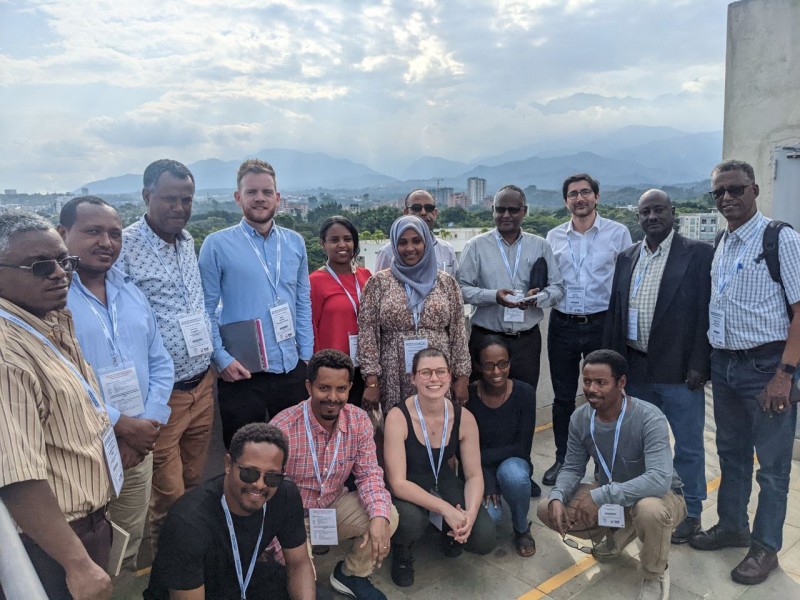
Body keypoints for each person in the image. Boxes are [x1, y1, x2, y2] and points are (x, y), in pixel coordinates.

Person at [689, 160, 800, 586]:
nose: (727, 199)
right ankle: (732, 525)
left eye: (735, 190)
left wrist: (784, 374)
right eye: (718, 193)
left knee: (772, 468)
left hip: (766, 367)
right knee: (731, 455)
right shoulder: (723, 242)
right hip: (726, 365)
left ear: (754, 190)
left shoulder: (779, 239)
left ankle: (766, 545)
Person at [0, 212, 114, 600]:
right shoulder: (6, 354)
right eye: (40, 266)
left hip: (86, 527)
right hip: (52, 545)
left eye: (65, 262)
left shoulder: (45, 322)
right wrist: (77, 564)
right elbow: (18, 478)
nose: (59, 273)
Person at [59, 196, 175, 574]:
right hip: (81, 448)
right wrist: (121, 426)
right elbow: (60, 378)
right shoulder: (50, 299)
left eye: (113, 233)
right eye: (92, 231)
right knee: (79, 553)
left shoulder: (131, 292)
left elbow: (160, 361)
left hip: (138, 446)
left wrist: (148, 424)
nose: (106, 242)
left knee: (126, 543)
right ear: (63, 234)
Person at [602, 189, 713, 544]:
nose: (652, 217)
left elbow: (705, 313)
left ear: (673, 212)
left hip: (680, 372)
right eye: (645, 212)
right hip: (635, 370)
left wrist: (700, 363)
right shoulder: (627, 256)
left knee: (689, 445)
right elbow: (616, 313)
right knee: (636, 443)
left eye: (659, 210)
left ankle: (691, 512)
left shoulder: (697, 254)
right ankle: (638, 503)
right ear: (638, 218)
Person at [117, 159, 215, 553]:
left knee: (194, 483)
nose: (179, 207)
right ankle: (167, 574)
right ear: (146, 196)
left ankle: (193, 560)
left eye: (186, 199)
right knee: (169, 495)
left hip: (203, 385)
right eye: (170, 198)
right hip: (163, 397)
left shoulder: (189, 241)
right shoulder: (123, 246)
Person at [537, 350, 686, 600]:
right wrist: (557, 496)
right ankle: (618, 533)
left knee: (649, 510)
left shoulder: (649, 417)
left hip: (662, 497)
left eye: (601, 382)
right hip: (614, 496)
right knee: (546, 508)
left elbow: (660, 479)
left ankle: (654, 573)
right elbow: (573, 467)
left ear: (622, 383)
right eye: (586, 381)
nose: (591, 389)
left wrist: (601, 495)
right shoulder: (580, 417)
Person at [198, 158, 312, 446]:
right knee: (242, 456)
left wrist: (306, 356)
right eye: (251, 192)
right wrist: (221, 359)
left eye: (266, 192)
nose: (260, 198)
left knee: (294, 451)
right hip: (241, 373)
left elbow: (302, 301)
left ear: (277, 197)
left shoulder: (295, 242)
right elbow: (205, 309)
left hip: (290, 368)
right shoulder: (217, 244)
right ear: (238, 198)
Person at [271, 349, 398, 600]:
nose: (332, 397)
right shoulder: (282, 428)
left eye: (341, 389)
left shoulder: (359, 421)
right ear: (309, 386)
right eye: (324, 388)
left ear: (350, 387)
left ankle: (351, 575)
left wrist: (378, 517)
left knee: (387, 515)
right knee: (304, 587)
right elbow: (268, 499)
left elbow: (369, 474)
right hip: (290, 519)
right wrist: (279, 549)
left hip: (331, 508)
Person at [146, 423, 316, 600]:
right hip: (194, 590)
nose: (259, 484)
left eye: (272, 476)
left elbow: (299, 563)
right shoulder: (187, 522)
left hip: (240, 579)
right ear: (228, 464)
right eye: (249, 473)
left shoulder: (284, 494)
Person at [542, 173, 631, 488]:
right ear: (565, 201)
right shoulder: (552, 237)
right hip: (563, 323)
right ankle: (564, 459)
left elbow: (626, 283)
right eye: (573, 194)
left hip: (602, 323)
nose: (579, 199)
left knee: (606, 395)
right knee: (563, 397)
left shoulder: (618, 234)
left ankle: (605, 463)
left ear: (596, 196)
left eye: (585, 192)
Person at [384, 347, 496, 588]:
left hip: (442, 480)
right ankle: (402, 551)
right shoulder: (398, 416)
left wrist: (469, 515)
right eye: (425, 372)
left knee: (484, 537)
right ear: (413, 378)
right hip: (409, 485)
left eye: (440, 372)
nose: (434, 379)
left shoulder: (464, 417)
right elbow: (398, 482)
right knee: (412, 521)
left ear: (450, 376)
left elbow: (474, 475)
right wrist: (446, 509)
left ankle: (451, 534)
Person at [457, 184, 564, 392]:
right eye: (500, 209)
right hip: (487, 337)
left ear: (525, 211)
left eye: (513, 210)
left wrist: (537, 299)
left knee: (524, 397)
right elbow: (460, 290)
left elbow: (558, 288)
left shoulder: (540, 245)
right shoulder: (476, 245)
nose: (506, 215)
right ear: (493, 211)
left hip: (525, 342)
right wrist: (493, 296)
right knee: (481, 400)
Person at [359, 215, 471, 410]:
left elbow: (458, 333)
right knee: (398, 431)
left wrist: (462, 378)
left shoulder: (446, 283)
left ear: (426, 242)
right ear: (394, 245)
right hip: (394, 375)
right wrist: (372, 381)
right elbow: (368, 334)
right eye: (402, 242)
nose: (410, 248)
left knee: (438, 429)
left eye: (416, 241)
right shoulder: (378, 283)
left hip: (438, 372)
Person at [467, 336, 536, 557]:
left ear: (510, 363)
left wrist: (483, 460)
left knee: (513, 475)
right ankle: (494, 488)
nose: (497, 371)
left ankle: (521, 527)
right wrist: (486, 480)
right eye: (488, 365)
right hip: (480, 469)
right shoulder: (468, 396)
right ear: (478, 366)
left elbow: (521, 447)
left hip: (512, 461)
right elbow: (466, 451)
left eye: (502, 363)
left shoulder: (525, 393)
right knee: (493, 518)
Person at [309, 216, 371, 405]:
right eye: (334, 240)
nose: (342, 245)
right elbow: (312, 328)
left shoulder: (366, 276)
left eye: (347, 239)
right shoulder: (314, 281)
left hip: (366, 368)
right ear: (323, 244)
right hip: (333, 371)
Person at [373, 189, 458, 274]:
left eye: (429, 208)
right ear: (406, 212)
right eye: (416, 208)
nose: (423, 212)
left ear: (435, 213)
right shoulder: (388, 252)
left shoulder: (446, 250)